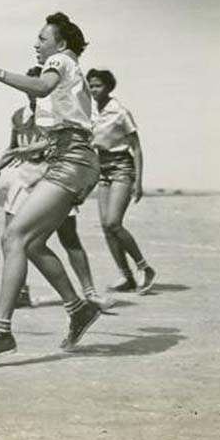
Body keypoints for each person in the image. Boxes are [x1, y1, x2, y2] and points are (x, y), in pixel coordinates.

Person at [0, 12, 102, 366]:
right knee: (33, 244)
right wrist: (26, 150)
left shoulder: (59, 61)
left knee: (13, 238)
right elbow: (70, 129)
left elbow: (41, 86)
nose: (36, 45)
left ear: (61, 43)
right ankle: (78, 309)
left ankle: (1, 331)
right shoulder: (72, 71)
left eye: (41, 38)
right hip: (69, 158)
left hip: (72, 162)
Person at [0, 66, 106, 309]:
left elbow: (58, 141)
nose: (32, 91)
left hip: (52, 173)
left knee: (68, 237)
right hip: (25, 174)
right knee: (10, 237)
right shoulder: (20, 115)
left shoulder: (57, 112)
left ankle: (89, 291)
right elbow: (13, 146)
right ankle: (20, 291)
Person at [86, 69, 156, 294]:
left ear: (108, 87)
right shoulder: (89, 111)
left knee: (113, 223)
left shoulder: (120, 113)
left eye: (97, 85)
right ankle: (126, 277)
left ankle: (144, 268)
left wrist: (139, 181)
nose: (93, 89)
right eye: (91, 85)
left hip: (122, 167)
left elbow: (136, 148)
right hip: (101, 169)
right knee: (106, 228)